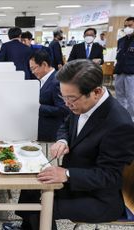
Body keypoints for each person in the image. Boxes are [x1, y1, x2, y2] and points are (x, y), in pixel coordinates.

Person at [13, 59, 134, 230]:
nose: (67, 104)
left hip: (99, 197)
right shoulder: (82, 105)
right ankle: (28, 227)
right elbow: (67, 123)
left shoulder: (119, 124)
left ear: (96, 92)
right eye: (64, 97)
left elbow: (110, 177)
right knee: (30, 187)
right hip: (78, 183)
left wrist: (67, 174)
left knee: (41, 209)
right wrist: (63, 140)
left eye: (71, 98)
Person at [29, 50, 69, 141]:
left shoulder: (56, 81)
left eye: (33, 68)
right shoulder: (44, 79)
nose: (32, 72)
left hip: (52, 131)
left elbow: (63, 109)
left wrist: (38, 107)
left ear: (44, 65)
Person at [114, 17, 134, 122]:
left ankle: (131, 119)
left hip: (131, 73)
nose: (127, 28)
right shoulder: (121, 41)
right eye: (125, 26)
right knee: (120, 96)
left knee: (132, 98)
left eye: (130, 25)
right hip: (120, 72)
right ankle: (122, 118)